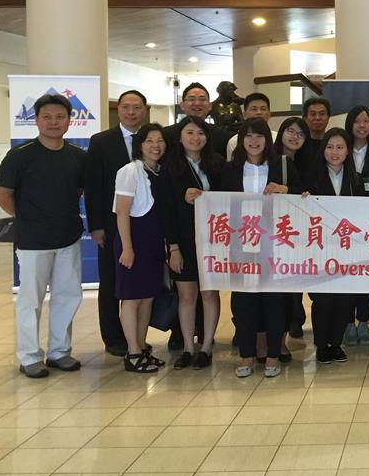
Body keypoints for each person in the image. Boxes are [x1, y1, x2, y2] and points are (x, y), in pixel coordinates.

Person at [0, 93, 87, 378]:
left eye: (60, 117)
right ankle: (29, 356)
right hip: (33, 241)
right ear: (36, 120)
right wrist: (28, 217)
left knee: (67, 296)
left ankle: (59, 352)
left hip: (68, 237)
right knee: (30, 300)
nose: (53, 122)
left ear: (69, 121)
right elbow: (2, 194)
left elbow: (78, 191)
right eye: (46, 117)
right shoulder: (20, 155)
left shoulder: (78, 156)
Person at [220, 119, 293, 378]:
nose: (254, 141)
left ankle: (272, 355)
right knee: (243, 301)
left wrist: (286, 189)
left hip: (275, 244)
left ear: (267, 139)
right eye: (248, 136)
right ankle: (247, 355)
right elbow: (215, 200)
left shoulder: (282, 165)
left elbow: (304, 194)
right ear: (241, 140)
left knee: (274, 300)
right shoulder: (229, 169)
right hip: (240, 245)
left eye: (259, 136)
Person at [85, 89, 148, 356]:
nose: (131, 112)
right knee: (111, 280)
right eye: (126, 107)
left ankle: (137, 337)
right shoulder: (101, 141)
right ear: (118, 110)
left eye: (136, 107)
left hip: (145, 224)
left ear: (144, 110)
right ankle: (113, 338)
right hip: (111, 225)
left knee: (140, 282)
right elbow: (93, 186)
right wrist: (96, 226)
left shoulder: (152, 139)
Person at [160, 116, 225, 370]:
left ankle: (206, 346)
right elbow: (166, 209)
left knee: (209, 293)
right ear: (180, 137)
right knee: (186, 296)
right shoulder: (169, 166)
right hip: (183, 240)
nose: (195, 138)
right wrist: (173, 248)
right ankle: (188, 347)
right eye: (189, 132)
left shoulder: (217, 164)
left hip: (214, 239)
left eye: (200, 133)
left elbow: (228, 198)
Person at [302, 128, 365, 364]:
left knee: (344, 298)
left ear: (348, 151)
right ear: (323, 150)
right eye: (330, 147)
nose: (335, 152)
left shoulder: (356, 179)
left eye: (340, 147)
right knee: (323, 299)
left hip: (348, 249)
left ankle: (336, 344)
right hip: (320, 249)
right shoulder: (311, 177)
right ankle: (322, 345)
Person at [112, 123, 168, 374]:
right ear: (140, 145)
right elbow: (122, 212)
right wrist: (127, 247)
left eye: (160, 141)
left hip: (153, 243)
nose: (155, 146)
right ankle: (133, 352)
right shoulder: (129, 171)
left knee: (147, 298)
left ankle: (142, 346)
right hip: (133, 241)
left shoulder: (158, 171)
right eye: (149, 141)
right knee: (132, 298)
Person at [342, 106, 369, 347]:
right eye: (356, 121)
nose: (361, 125)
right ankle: (348, 322)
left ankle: (363, 322)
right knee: (347, 275)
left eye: (366, 121)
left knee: (366, 275)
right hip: (344, 226)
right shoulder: (341, 149)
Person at [274, 115, 313, 339]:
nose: (294, 137)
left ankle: (295, 317)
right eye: (290, 131)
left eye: (300, 134)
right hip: (274, 226)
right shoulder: (269, 159)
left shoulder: (309, 162)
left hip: (300, 226)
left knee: (296, 272)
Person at [162, 82, 229, 159]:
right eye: (191, 99)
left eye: (202, 99)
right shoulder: (166, 135)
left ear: (210, 106)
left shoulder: (222, 136)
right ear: (182, 105)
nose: (197, 103)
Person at [225, 92, 272, 159]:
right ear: (244, 115)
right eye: (254, 109)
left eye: (263, 109)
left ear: (269, 114)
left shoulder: (277, 138)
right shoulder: (234, 141)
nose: (259, 112)